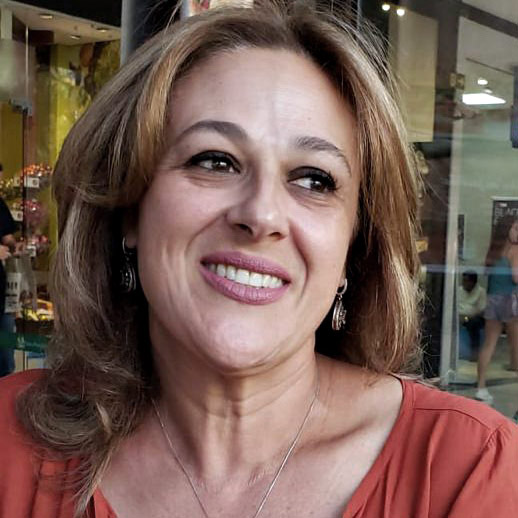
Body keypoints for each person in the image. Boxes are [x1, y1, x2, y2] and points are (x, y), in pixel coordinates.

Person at [1, 4, 517, 518]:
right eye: (215, 161)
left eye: (314, 179)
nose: (261, 214)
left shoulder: (471, 469)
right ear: (130, 209)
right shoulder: (10, 440)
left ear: (352, 249)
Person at [476, 215, 518, 403]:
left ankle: (481, 387)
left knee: (489, 344)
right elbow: (516, 278)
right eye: (515, 228)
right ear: (507, 229)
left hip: (493, 299)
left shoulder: (493, 251)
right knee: (515, 346)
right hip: (511, 300)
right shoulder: (515, 250)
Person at [0, 163, 18, 377]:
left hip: (2, 296)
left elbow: (8, 237)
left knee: (5, 361)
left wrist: (17, 246)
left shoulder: (0, 205)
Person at [458, 270, 486, 360]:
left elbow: (481, 310)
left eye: (466, 281)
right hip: (460, 316)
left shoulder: (481, 292)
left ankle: (474, 353)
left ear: (473, 282)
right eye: (463, 281)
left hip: (474, 317)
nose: (464, 283)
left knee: (474, 323)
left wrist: (467, 317)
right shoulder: (459, 290)